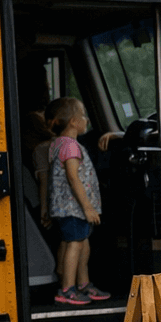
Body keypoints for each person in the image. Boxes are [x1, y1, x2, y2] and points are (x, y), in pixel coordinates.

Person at [46, 96, 111, 306]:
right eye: (83, 116)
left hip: (67, 208)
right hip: (73, 208)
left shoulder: (58, 144)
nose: (86, 120)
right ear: (74, 121)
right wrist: (88, 207)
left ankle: (83, 284)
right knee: (75, 244)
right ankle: (67, 289)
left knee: (81, 243)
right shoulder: (71, 147)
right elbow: (73, 178)